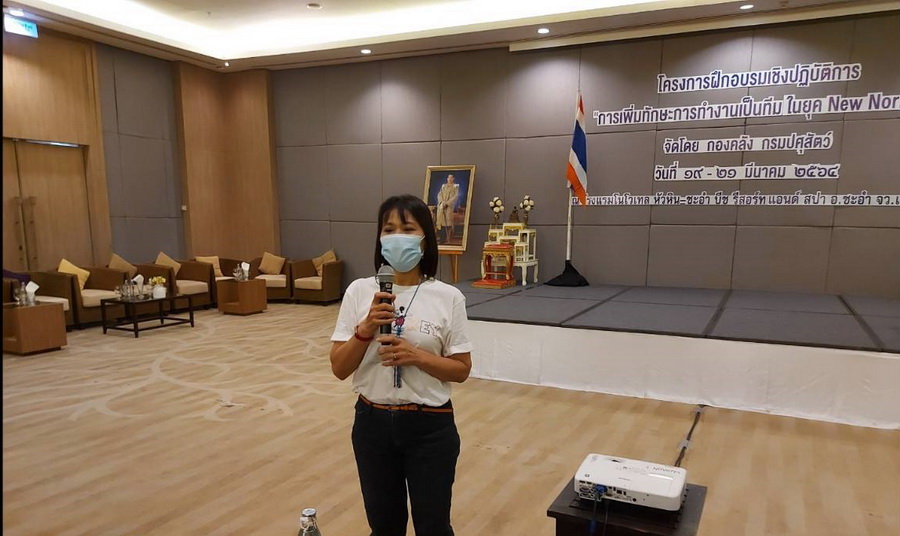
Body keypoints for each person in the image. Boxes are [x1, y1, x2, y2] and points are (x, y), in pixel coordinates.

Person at [329, 194, 473, 536]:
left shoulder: (448, 297)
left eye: (407, 229)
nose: (397, 237)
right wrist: (365, 329)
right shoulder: (359, 291)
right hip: (372, 424)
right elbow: (339, 368)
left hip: (430, 426)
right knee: (384, 526)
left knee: (433, 526)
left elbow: (461, 369)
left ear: (425, 239)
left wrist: (416, 356)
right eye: (389, 229)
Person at [435, 174, 460, 244]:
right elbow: (439, 194)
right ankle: (441, 238)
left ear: (453, 178)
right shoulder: (443, 186)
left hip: (449, 207)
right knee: (440, 222)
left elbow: (455, 196)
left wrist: (447, 203)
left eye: (451, 178)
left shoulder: (455, 186)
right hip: (441, 206)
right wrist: (441, 202)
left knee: (447, 223)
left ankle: (446, 238)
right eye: (448, 178)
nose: (449, 179)